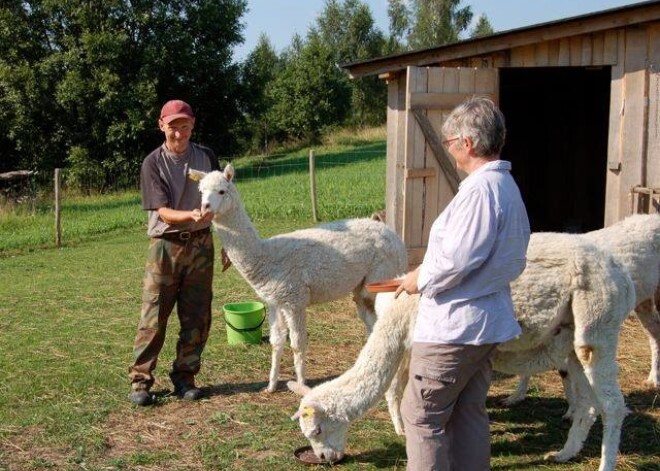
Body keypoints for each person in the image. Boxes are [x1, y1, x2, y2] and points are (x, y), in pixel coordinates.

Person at [394, 97, 530, 470]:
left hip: (454, 329)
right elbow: (506, 258)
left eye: (450, 142)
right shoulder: (505, 187)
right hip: (484, 323)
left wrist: (418, 277)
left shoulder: (481, 192)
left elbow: (455, 260)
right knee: (468, 409)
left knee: (421, 415)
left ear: (467, 143)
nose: (449, 150)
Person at [128, 99, 220, 406]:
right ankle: (141, 382)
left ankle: (185, 378)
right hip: (165, 247)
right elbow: (164, 212)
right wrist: (192, 215)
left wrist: (228, 243)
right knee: (153, 315)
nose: (179, 133)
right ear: (161, 126)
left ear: (192, 124)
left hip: (202, 245)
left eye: (184, 126)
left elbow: (223, 198)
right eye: (173, 127)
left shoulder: (206, 156)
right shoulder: (152, 163)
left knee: (197, 314)